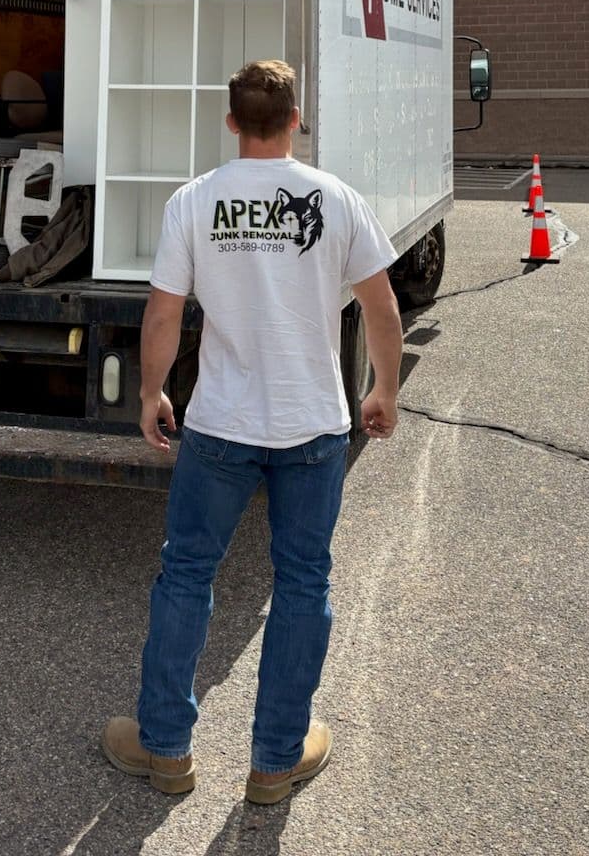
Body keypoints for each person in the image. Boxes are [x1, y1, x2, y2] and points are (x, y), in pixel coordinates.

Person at [100, 59, 404, 805]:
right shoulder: (335, 199)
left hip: (221, 426)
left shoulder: (194, 202)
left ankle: (164, 746)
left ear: (232, 122)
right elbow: (381, 306)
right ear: (296, 119)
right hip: (312, 426)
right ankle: (275, 760)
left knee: (188, 573)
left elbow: (165, 313)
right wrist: (384, 389)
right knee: (303, 581)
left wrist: (151, 392)